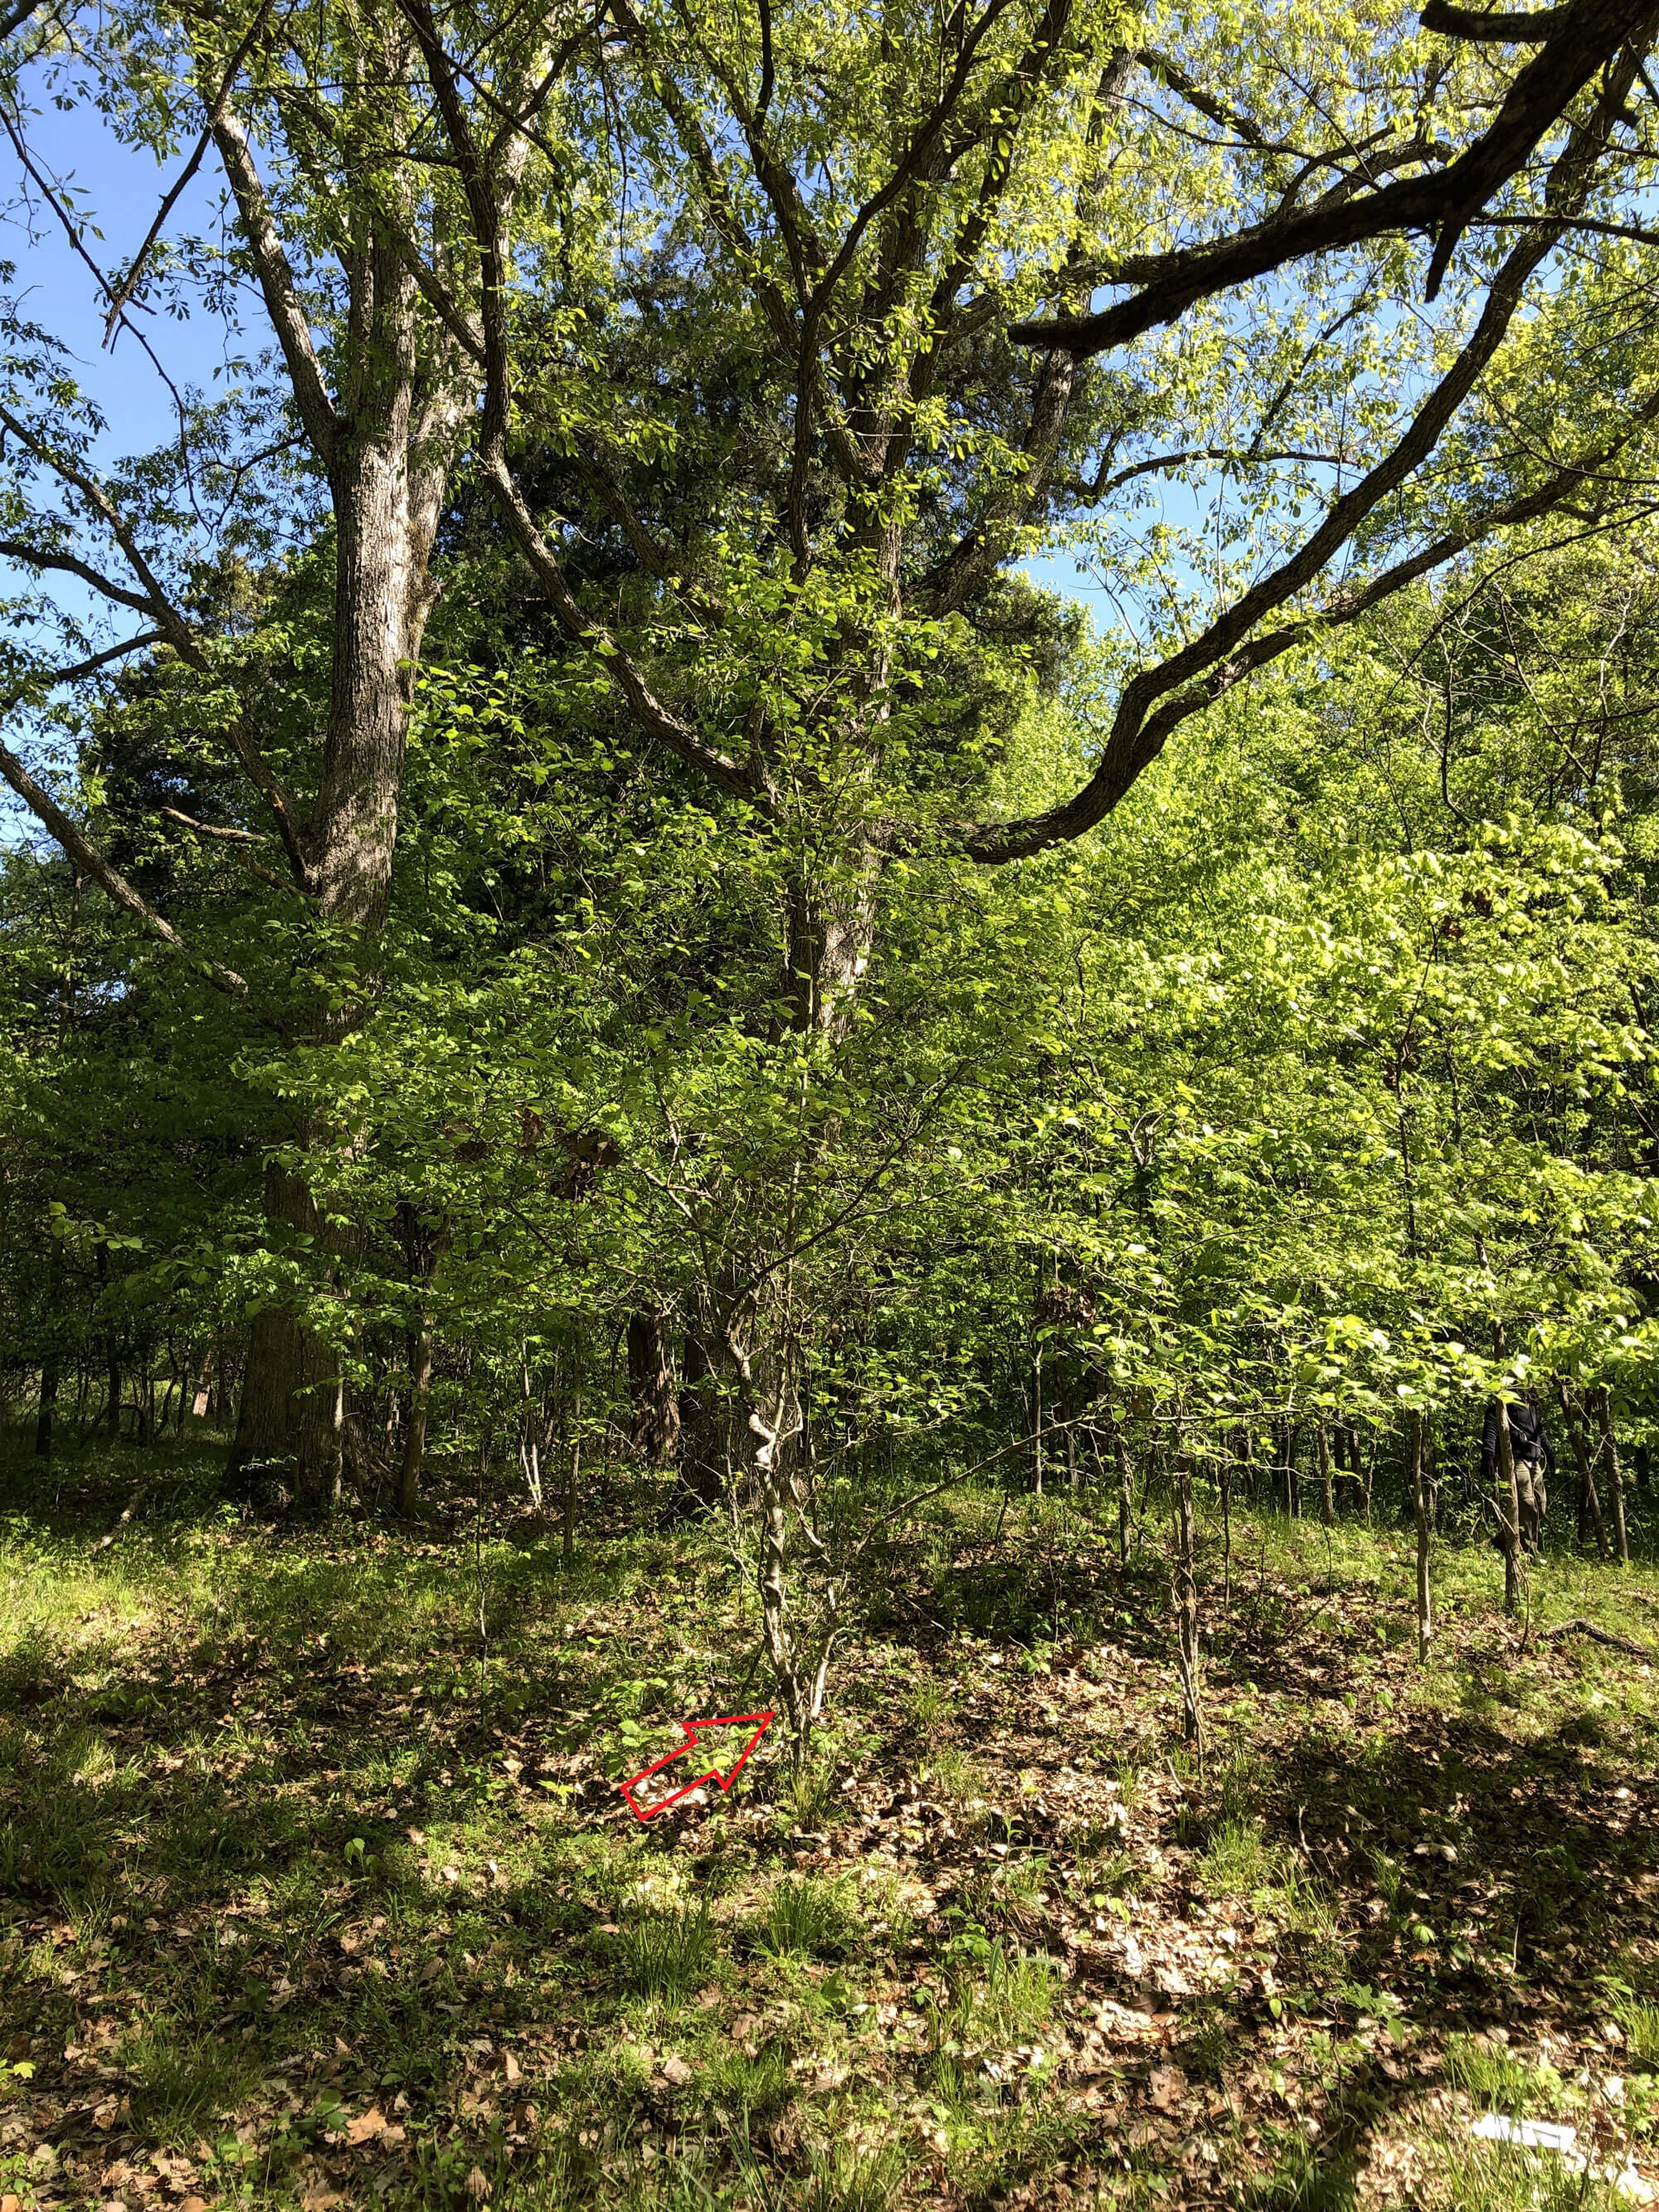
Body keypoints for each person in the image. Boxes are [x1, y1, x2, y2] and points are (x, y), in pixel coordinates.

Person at [1479, 1392, 1554, 1550]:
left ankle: (1500, 1542)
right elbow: (1491, 1429)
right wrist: (1488, 1456)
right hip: (1516, 1461)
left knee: (1541, 1506)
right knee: (1527, 1505)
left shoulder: (1532, 1405)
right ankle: (1529, 1552)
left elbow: (1539, 1432)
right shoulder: (1504, 1403)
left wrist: (1550, 1453)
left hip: (1535, 1462)